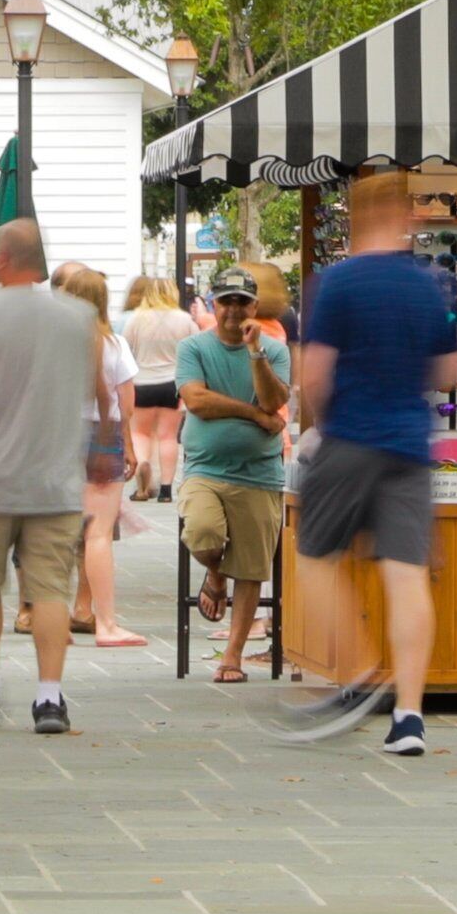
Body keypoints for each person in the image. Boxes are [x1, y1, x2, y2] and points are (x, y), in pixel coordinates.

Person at [275, 171, 457, 757]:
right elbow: (446, 371)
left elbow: (314, 376)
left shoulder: (335, 284)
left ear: (356, 217)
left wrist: (329, 422)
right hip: (410, 445)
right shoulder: (429, 285)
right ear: (404, 217)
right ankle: (409, 716)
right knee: (407, 576)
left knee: (313, 558)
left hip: (352, 436)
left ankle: (358, 676)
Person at [0, 217, 99, 734]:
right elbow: (97, 391)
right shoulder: (80, 319)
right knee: (52, 590)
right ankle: (49, 698)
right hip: (55, 480)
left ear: (5, 259)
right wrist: (103, 452)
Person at [175, 272, 293, 682]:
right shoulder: (193, 347)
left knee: (251, 568)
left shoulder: (274, 350)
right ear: (213, 305)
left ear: (254, 308)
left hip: (260, 474)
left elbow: (274, 399)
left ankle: (232, 657)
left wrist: (256, 352)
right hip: (204, 468)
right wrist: (254, 416)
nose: (233, 310)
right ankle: (213, 571)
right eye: (226, 301)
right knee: (203, 532)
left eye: (242, 302)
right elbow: (197, 400)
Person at [56, 263, 149, 649]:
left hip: (57, 439)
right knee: (97, 534)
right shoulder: (115, 346)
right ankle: (106, 623)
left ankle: (50, 618)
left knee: (53, 534)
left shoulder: (52, 346)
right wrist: (127, 444)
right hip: (101, 435)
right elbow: (125, 404)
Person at [122, 274, 198, 500]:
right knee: (168, 436)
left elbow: (127, 350)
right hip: (171, 384)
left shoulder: (136, 319)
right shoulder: (184, 319)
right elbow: (195, 347)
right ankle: (166, 489)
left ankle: (143, 465)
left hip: (142, 382)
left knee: (140, 433)